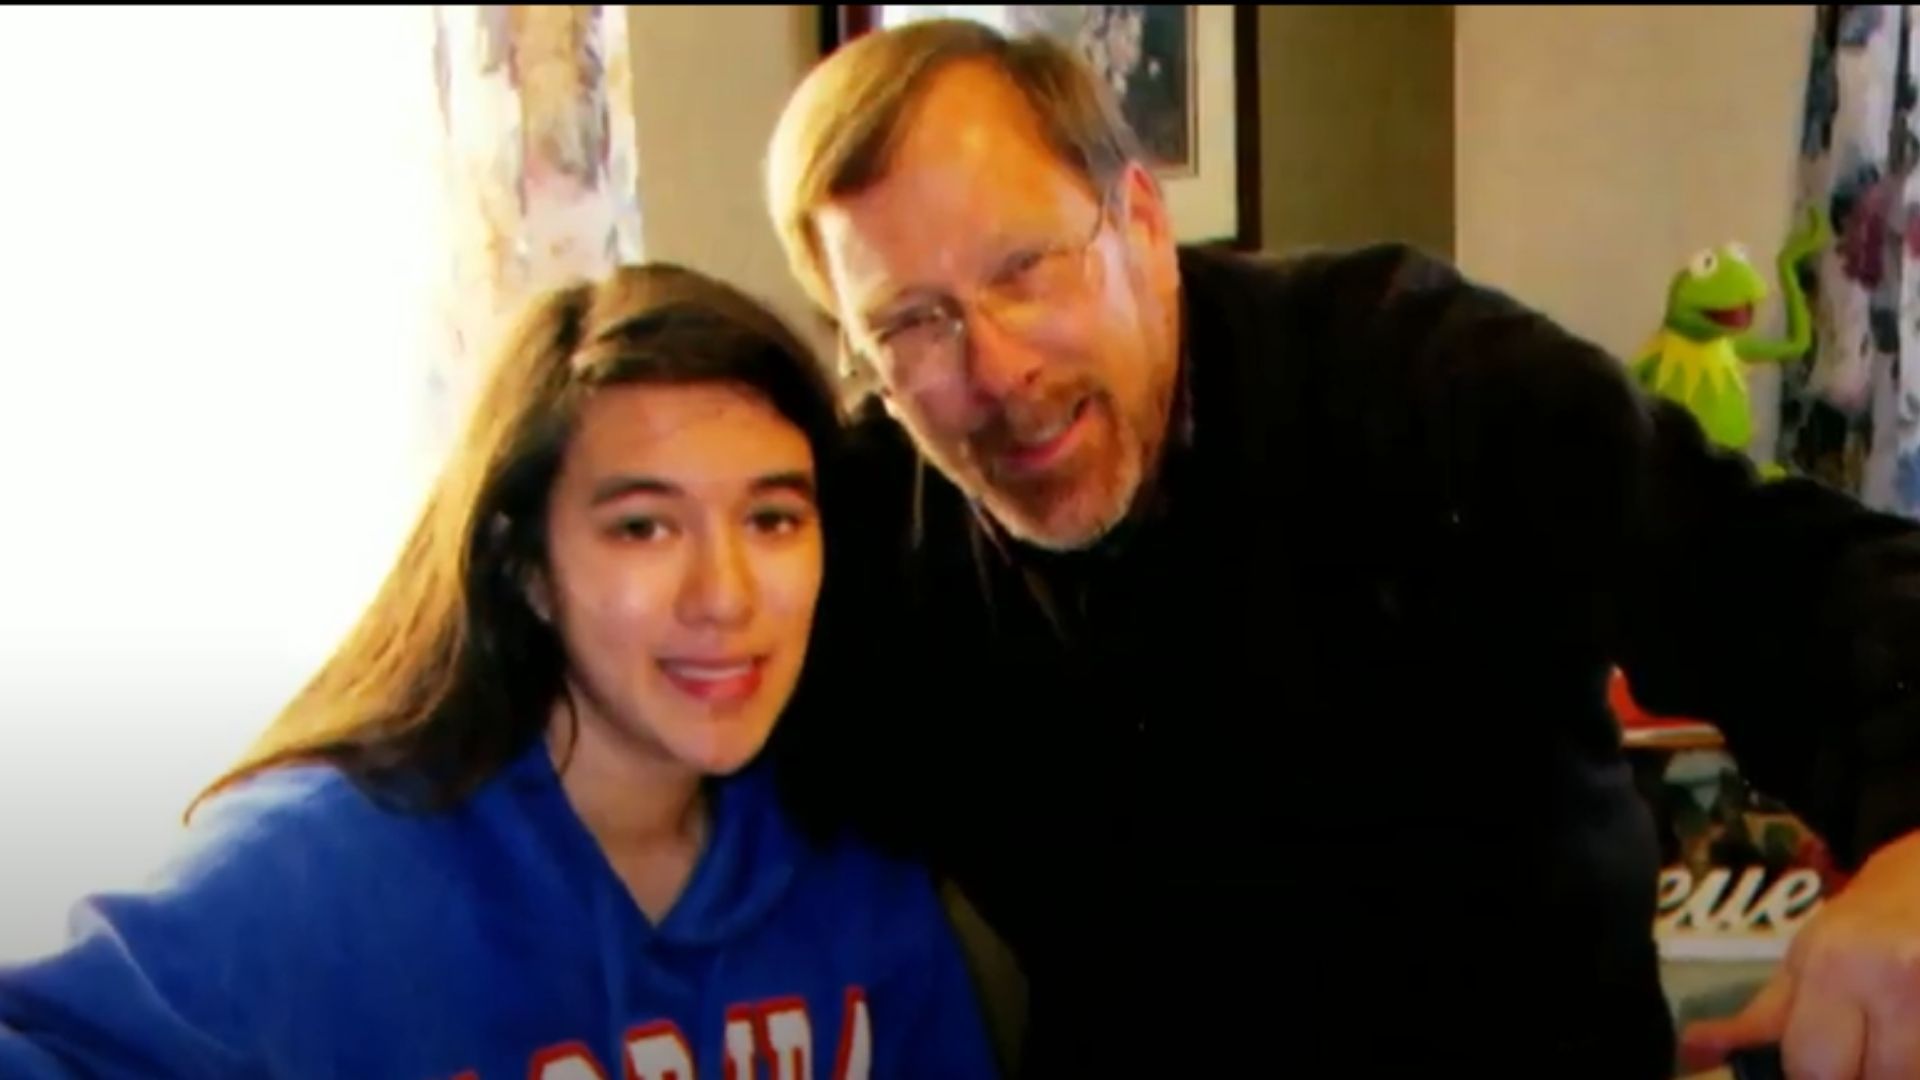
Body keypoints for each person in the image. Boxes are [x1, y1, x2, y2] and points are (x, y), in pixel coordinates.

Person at [763, 18, 1920, 1079]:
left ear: (1143, 223)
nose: (996, 369)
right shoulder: (872, 535)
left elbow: (1782, 574)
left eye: (1026, 267)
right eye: (912, 323)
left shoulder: (1416, 374)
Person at [0, 264, 1001, 1080]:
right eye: (644, 527)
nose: (726, 595)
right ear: (527, 568)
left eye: (772, 519)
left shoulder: (855, 871)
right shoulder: (327, 869)